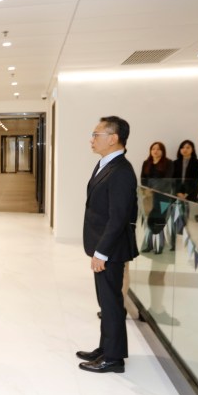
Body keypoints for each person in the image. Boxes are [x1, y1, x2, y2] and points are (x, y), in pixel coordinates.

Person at [77, 116, 139, 374]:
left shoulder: (121, 170)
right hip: (103, 245)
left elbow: (118, 217)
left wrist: (101, 252)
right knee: (106, 302)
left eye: (96, 134)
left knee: (111, 303)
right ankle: (106, 348)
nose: (91, 139)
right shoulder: (106, 164)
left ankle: (113, 359)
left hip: (110, 249)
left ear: (113, 138)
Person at [139, 141, 171, 254]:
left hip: (163, 197)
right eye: (153, 149)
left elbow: (168, 179)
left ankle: (159, 246)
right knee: (149, 221)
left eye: (158, 149)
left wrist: (153, 190)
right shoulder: (146, 163)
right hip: (149, 197)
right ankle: (149, 245)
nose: (155, 151)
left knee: (160, 221)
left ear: (163, 151)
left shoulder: (168, 163)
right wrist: (146, 190)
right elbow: (143, 179)